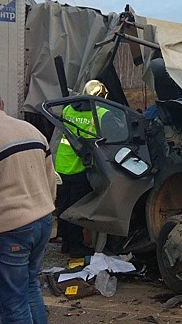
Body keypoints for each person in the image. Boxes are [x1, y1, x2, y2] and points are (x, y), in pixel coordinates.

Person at [0, 82, 56, 324]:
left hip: (8, 230)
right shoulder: (31, 130)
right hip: (42, 221)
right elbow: (50, 180)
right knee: (31, 288)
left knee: (13, 305)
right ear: (1, 104)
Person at [54, 79, 110, 258]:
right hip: (80, 167)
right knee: (76, 209)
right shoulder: (101, 113)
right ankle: (77, 247)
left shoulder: (68, 108)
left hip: (62, 163)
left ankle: (66, 243)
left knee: (63, 205)